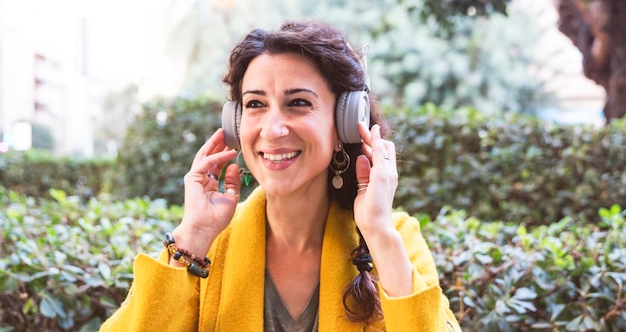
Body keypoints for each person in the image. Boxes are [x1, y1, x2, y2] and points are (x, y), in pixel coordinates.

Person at [99, 20, 462, 332]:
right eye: (255, 104)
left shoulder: (395, 238)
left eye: (299, 103)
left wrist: (379, 235)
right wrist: (192, 238)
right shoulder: (207, 247)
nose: (273, 129)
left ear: (346, 125)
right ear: (236, 123)